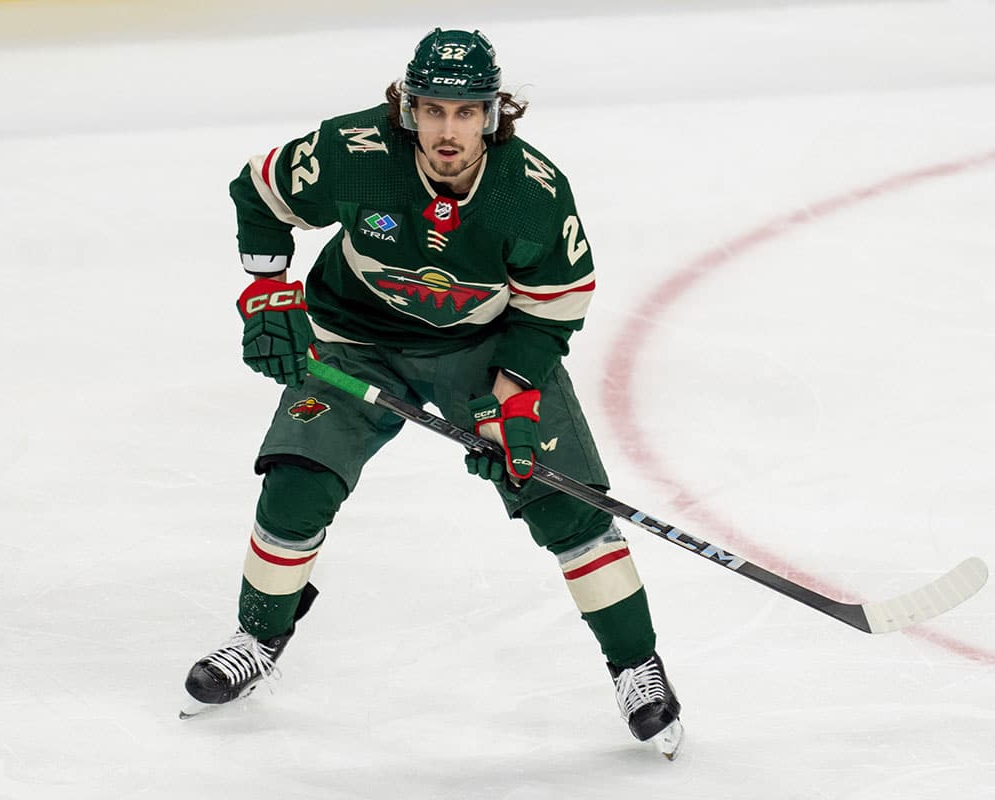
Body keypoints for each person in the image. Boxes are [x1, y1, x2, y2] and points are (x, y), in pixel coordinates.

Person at [183, 28, 682, 757]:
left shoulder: (531, 197)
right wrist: (268, 290)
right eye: (433, 110)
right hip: (355, 341)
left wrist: (511, 403)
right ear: (408, 107)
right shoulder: (352, 154)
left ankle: (637, 666)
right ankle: (258, 639)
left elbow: (551, 310)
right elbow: (258, 191)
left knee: (564, 504)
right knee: (296, 483)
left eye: (467, 113)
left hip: (483, 351)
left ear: (493, 114)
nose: (449, 131)